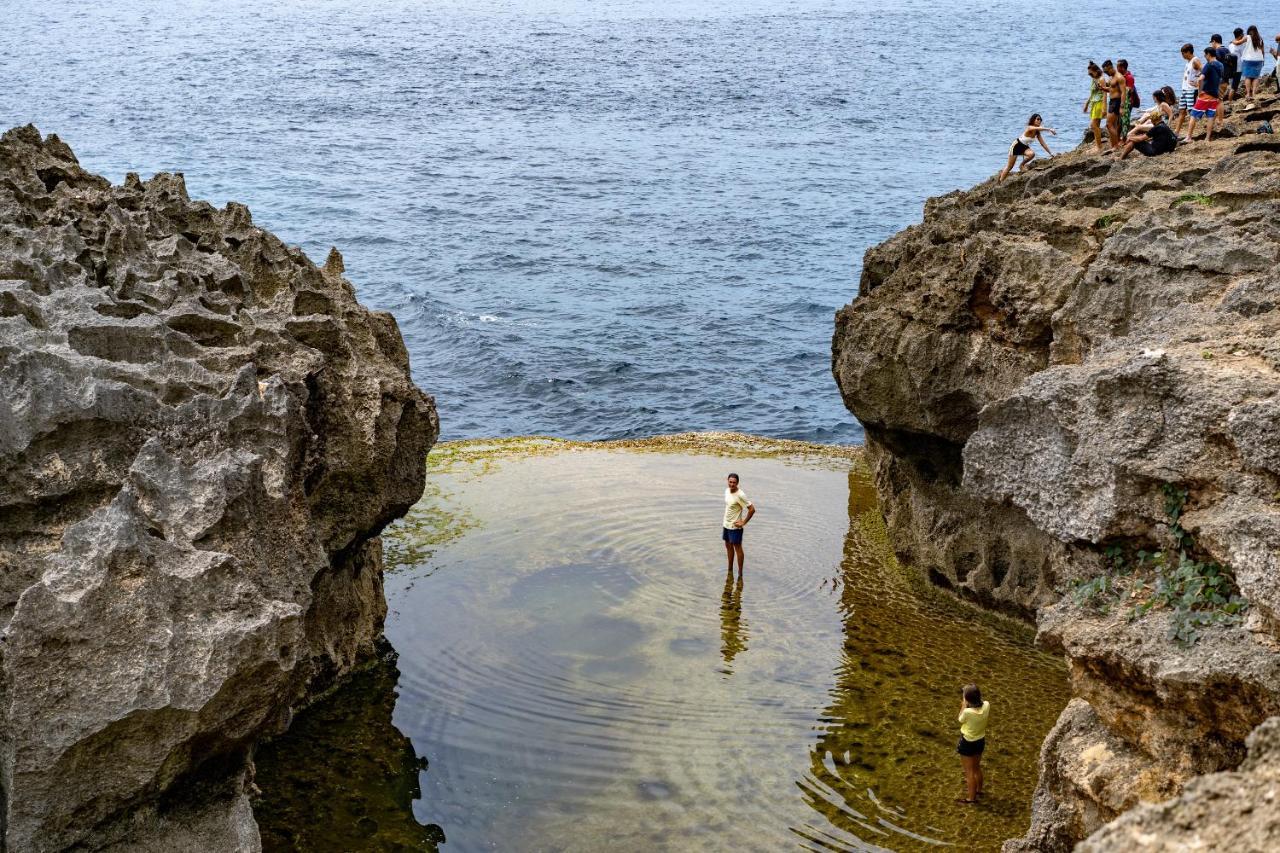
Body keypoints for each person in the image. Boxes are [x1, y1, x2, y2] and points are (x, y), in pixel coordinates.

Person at [1120, 87, 1179, 159]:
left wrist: (1130, 138)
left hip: (1155, 151)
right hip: (1165, 149)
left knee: (1133, 141)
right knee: (1142, 132)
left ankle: (1121, 157)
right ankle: (1134, 128)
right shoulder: (1162, 126)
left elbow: (1141, 139)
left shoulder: (1156, 128)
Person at [956, 684, 990, 804]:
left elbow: (960, 719)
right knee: (976, 768)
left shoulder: (968, 712)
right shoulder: (986, 705)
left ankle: (971, 798)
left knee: (969, 772)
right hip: (980, 741)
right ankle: (979, 790)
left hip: (968, 742)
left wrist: (964, 705)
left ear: (968, 699)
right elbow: (982, 702)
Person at [997, 114, 1056, 182]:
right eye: (1038, 119)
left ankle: (1021, 165)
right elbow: (1037, 128)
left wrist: (1051, 153)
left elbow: (1043, 144)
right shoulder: (1029, 127)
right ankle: (1001, 181)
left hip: (1024, 147)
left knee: (1032, 154)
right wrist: (1049, 129)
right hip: (1016, 146)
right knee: (1010, 167)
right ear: (1033, 120)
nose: (1039, 121)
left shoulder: (1037, 133)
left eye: (1040, 119)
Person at [1184, 46, 1224, 143]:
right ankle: (1207, 138)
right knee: (1210, 117)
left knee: (1193, 115)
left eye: (1205, 55)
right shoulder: (1220, 65)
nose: (1204, 57)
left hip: (1205, 94)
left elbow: (1201, 78)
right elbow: (1216, 78)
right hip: (1215, 94)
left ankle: (1188, 137)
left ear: (1209, 54)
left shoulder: (1208, 65)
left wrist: (1198, 88)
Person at [722, 473, 754, 576]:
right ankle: (730, 570)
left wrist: (743, 522)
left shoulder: (740, 495)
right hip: (726, 525)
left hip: (735, 527)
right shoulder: (727, 491)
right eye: (730, 482)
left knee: (737, 548)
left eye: (734, 482)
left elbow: (752, 509)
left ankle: (740, 573)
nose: (732, 484)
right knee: (728, 547)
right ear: (727, 481)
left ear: (737, 483)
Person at [1175, 43, 1202, 138]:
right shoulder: (1188, 62)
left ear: (1189, 52)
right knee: (1181, 111)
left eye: (1183, 53)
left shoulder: (1195, 61)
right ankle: (1176, 133)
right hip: (1184, 89)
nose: (1182, 55)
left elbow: (1204, 71)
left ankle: (1189, 135)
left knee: (1192, 113)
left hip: (1191, 90)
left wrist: (1198, 83)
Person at [1102, 60, 1128, 150]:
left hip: (1117, 102)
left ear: (1110, 68)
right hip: (1112, 101)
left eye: (1106, 71)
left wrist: (1122, 107)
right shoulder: (1112, 77)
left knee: (1109, 124)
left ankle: (1116, 145)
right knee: (1114, 125)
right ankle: (1114, 145)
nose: (1105, 73)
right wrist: (1103, 88)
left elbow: (1123, 92)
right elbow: (1112, 89)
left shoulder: (1119, 77)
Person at [1084, 62, 1107, 153]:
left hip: (1099, 103)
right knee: (1095, 125)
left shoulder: (1101, 79)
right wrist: (1086, 103)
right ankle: (1098, 145)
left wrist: (1104, 107)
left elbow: (1105, 93)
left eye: (1091, 73)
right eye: (1089, 74)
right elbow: (1092, 93)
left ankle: (1099, 147)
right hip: (1094, 103)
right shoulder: (1094, 79)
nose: (1090, 75)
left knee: (1094, 125)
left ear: (1096, 71)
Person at [1241, 26, 1267, 106]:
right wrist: (1263, 60)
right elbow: (1263, 51)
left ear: (1249, 31)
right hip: (1258, 59)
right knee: (1256, 77)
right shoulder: (1260, 38)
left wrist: (1233, 42)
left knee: (1248, 77)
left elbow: (1239, 42)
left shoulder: (1247, 37)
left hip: (1248, 59)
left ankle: (1248, 94)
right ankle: (1254, 93)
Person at [1117, 59, 1138, 138]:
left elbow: (1130, 90)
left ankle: (1124, 138)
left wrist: (1121, 88)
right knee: (1119, 121)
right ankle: (1118, 137)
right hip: (1121, 101)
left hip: (1128, 102)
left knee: (1125, 121)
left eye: (1118, 67)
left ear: (1122, 68)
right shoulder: (1120, 76)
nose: (1117, 69)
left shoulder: (1129, 77)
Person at [1229, 28, 1248, 97]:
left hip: (1231, 67)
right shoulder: (1240, 45)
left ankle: (1232, 99)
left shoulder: (1231, 45)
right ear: (1240, 35)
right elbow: (1243, 55)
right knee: (1234, 87)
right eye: (1242, 34)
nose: (1243, 35)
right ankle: (1230, 101)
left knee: (1233, 85)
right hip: (1239, 67)